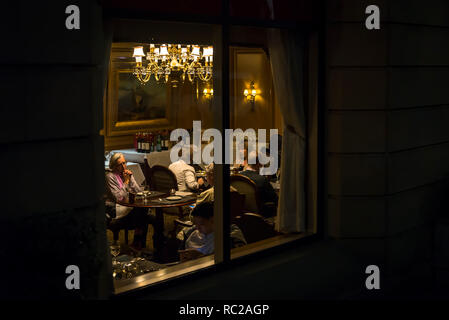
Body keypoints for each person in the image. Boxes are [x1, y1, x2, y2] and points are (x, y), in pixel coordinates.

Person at [105, 152, 152, 249]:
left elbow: (139, 192)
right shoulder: (110, 177)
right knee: (143, 214)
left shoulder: (126, 174)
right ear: (114, 166)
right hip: (115, 208)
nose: (124, 166)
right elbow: (119, 198)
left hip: (127, 206)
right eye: (120, 164)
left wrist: (131, 180)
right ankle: (138, 243)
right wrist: (126, 182)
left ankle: (138, 243)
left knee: (144, 212)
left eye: (124, 163)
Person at [177, 202, 247, 261]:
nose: (197, 228)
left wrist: (201, 257)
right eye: (195, 224)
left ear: (213, 220)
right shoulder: (191, 232)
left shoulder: (231, 234)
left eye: (201, 224)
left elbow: (236, 257)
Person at [240, 151, 278, 217]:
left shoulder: (238, 177)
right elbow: (275, 199)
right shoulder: (262, 180)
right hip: (259, 218)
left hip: (240, 217)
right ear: (260, 163)